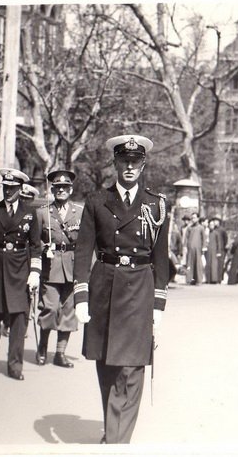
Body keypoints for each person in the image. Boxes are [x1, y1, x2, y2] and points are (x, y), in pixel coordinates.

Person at [73, 134, 169, 444]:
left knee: (132, 366)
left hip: (140, 286)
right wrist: (81, 296)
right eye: (124, 161)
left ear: (143, 165)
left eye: (135, 162)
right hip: (104, 285)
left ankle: (117, 441)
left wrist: (158, 305)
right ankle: (112, 429)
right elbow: (83, 250)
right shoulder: (97, 201)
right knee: (107, 366)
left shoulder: (156, 204)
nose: (129, 167)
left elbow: (161, 258)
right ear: (115, 163)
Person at [0, 168, 42, 381]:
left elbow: (35, 245)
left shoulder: (30, 212)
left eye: (12, 188)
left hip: (19, 268)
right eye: (6, 188)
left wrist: (35, 272)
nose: (8, 192)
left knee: (19, 318)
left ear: (20, 189)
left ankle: (15, 366)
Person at [35, 170, 82, 368]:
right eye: (57, 188)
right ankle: (43, 348)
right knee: (50, 308)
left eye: (65, 187)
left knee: (69, 311)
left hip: (72, 266)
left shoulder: (80, 212)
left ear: (70, 190)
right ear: (52, 190)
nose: (61, 190)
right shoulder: (42, 213)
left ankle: (60, 353)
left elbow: (88, 242)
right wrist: (42, 248)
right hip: (51, 266)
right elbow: (34, 241)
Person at [183, 212, 204, 285]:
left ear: (198, 218)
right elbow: (186, 238)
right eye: (192, 218)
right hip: (190, 249)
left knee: (198, 264)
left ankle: (198, 280)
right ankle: (189, 280)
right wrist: (185, 246)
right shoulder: (189, 228)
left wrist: (203, 247)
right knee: (189, 264)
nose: (193, 219)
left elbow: (203, 238)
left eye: (194, 218)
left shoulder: (201, 228)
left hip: (198, 249)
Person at [204, 218, 222, 283]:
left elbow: (218, 243)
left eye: (212, 225)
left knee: (214, 265)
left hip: (214, 251)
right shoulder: (206, 233)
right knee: (208, 264)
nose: (211, 226)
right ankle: (208, 279)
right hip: (208, 251)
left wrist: (218, 251)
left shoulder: (216, 233)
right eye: (210, 224)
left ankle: (214, 279)